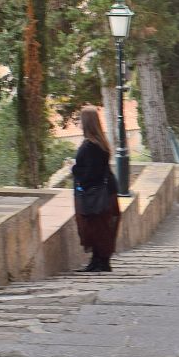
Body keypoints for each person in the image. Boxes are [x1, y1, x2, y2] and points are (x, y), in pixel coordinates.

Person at [71, 106, 121, 272]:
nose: (78, 123)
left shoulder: (90, 146)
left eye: (80, 119)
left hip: (96, 193)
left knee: (95, 226)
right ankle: (98, 261)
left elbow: (91, 172)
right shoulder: (101, 144)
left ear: (86, 123)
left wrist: (75, 170)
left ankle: (101, 262)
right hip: (106, 191)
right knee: (101, 227)